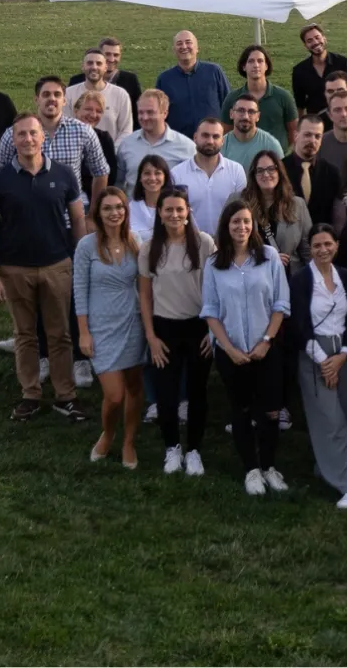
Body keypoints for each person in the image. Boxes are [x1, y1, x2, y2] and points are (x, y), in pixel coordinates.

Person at [0, 113, 88, 423]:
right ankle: (30, 394)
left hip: (57, 265)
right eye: (21, 135)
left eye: (33, 133)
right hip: (15, 270)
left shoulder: (65, 174)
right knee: (25, 335)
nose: (28, 139)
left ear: (43, 137)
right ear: (13, 140)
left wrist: (79, 262)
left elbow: (78, 220)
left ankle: (65, 395)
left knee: (60, 334)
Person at [202, 201, 292, 496]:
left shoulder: (268, 258)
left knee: (269, 412)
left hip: (265, 350)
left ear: (253, 225)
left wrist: (266, 342)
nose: (241, 227)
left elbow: (280, 304)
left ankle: (269, 466)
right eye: (235, 222)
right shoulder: (214, 264)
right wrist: (228, 349)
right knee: (240, 410)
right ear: (226, 227)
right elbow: (211, 311)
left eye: (246, 222)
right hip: (232, 353)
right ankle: (251, 470)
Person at [139, 188, 216, 477]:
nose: (174, 215)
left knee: (197, 392)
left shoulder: (205, 243)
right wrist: (151, 337)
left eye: (179, 210)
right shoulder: (149, 248)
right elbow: (145, 296)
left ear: (188, 212)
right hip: (164, 328)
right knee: (166, 394)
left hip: (198, 326)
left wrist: (212, 330)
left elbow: (215, 290)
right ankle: (172, 446)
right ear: (159, 213)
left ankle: (194, 449)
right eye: (168, 210)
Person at [288, 224, 347, 509]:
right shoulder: (301, 279)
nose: (323, 250)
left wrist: (342, 356)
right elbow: (298, 324)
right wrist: (323, 361)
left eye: (327, 244)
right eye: (317, 245)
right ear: (311, 248)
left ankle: (329, 467)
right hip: (314, 353)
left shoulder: (345, 276)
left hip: (343, 354)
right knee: (329, 420)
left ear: (336, 246)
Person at [74, 188, 148, 469]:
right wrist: (83, 331)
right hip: (101, 327)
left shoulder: (135, 241)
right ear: (98, 213)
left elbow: (143, 285)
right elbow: (79, 290)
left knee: (133, 386)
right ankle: (108, 433)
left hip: (132, 322)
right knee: (114, 395)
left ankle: (129, 441)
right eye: (107, 208)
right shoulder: (86, 246)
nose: (114, 213)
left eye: (119, 207)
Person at [0, 76, 109, 208]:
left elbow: (101, 172)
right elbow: (1, 175)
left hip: (70, 216)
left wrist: (93, 214)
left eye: (57, 94)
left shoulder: (83, 131)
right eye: (46, 94)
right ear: (37, 99)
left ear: (64, 101)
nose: (52, 99)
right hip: (26, 214)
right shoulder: (13, 134)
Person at [169, 118, 248, 230]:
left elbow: (242, 211)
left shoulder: (236, 171)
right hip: (191, 243)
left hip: (228, 243)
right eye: (205, 135)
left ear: (222, 140)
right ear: (195, 137)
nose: (210, 141)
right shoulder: (177, 173)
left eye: (216, 136)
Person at [244, 149, 313, 268]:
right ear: (253, 175)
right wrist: (267, 257)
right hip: (251, 275)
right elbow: (227, 243)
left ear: (279, 172)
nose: (266, 174)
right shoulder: (240, 202)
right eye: (260, 170)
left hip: (289, 277)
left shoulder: (297, 204)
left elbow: (307, 249)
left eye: (271, 169)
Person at [114, 89, 194, 191]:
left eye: (150, 112)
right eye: (141, 112)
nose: (145, 117)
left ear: (164, 113)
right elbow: (118, 183)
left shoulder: (186, 147)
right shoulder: (127, 144)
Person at [155, 31, 230, 138]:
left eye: (188, 42)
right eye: (179, 43)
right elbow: (159, 115)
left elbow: (228, 106)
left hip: (212, 142)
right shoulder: (164, 79)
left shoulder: (214, 72)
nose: (184, 46)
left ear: (197, 48)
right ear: (174, 50)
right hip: (178, 144)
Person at [222, 45, 298, 149]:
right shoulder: (232, 98)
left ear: (266, 66)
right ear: (244, 66)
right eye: (251, 61)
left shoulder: (283, 97)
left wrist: (279, 149)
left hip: (276, 158)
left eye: (260, 61)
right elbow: (226, 133)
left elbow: (293, 131)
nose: (256, 65)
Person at [286, 115, 344, 231]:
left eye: (317, 136)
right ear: (296, 135)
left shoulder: (332, 173)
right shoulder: (280, 170)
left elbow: (337, 214)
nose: (312, 140)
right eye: (307, 135)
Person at [292, 22, 347, 118]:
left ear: (324, 38)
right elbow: (299, 104)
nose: (315, 42)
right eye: (309, 40)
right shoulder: (299, 71)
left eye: (317, 37)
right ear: (305, 45)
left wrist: (344, 110)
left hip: (343, 118)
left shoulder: (343, 63)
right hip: (316, 122)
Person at [68, 37, 143, 128]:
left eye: (116, 55)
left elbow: (136, 114)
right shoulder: (76, 81)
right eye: (107, 54)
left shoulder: (129, 80)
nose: (111, 59)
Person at [65, 49, 133, 142]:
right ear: (83, 67)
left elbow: (126, 130)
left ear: (105, 67)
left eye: (99, 63)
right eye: (89, 63)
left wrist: (112, 151)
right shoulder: (69, 93)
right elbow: (65, 127)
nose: (94, 67)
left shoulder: (120, 94)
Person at [72, 90, 120, 203]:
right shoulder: (64, 136)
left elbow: (111, 176)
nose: (93, 115)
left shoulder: (104, 138)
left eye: (98, 111)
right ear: (76, 110)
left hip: (94, 200)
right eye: (88, 109)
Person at [219, 94, 284, 172]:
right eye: (241, 110)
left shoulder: (271, 145)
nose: (246, 117)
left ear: (258, 116)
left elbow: (282, 178)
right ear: (231, 114)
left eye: (251, 112)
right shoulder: (221, 146)